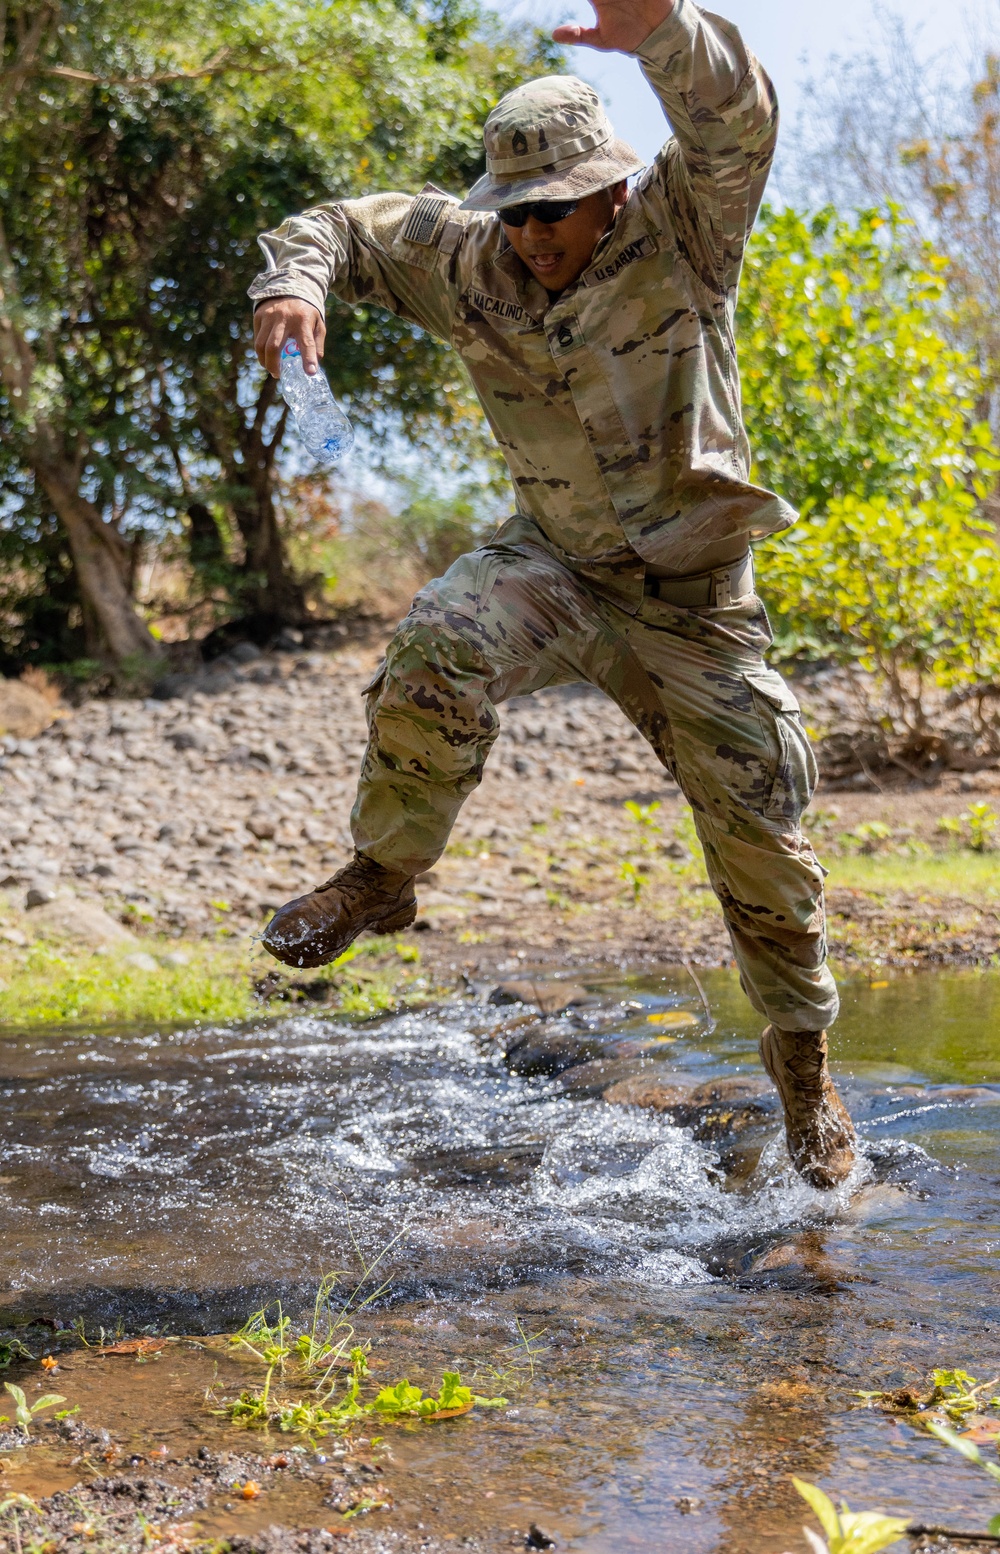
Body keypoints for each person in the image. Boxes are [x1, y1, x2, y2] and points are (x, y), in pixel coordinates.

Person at [248, 0, 857, 1190]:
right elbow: (331, 225)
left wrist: (667, 31)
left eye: (554, 212)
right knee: (440, 637)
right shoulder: (464, 255)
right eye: (514, 213)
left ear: (611, 195)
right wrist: (297, 286)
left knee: (762, 843)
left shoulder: (685, 229)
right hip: (557, 566)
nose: (531, 237)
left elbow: (739, 119)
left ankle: (804, 1073)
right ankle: (382, 879)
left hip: (692, 598)